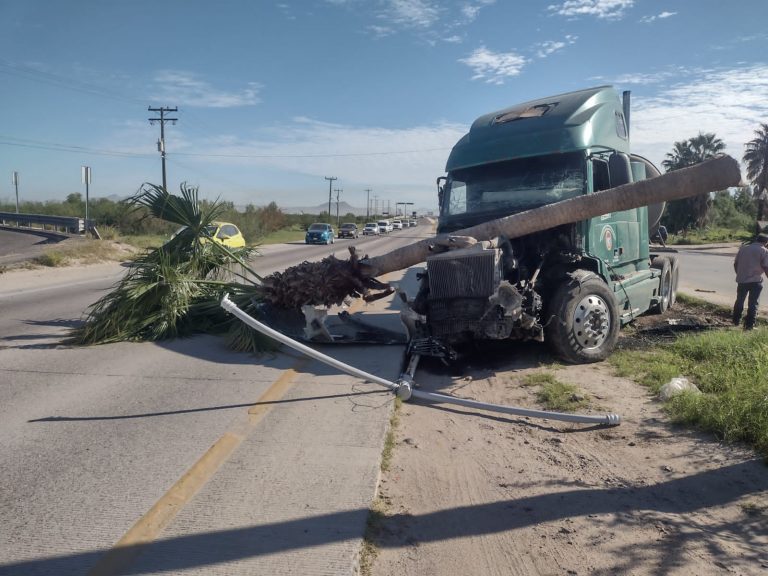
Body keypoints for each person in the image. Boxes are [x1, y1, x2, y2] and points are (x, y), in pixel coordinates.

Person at [732, 233, 768, 330]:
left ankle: (735, 321)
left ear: (756, 239)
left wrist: (739, 274)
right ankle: (749, 325)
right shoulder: (764, 251)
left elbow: (735, 264)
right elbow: (766, 266)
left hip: (742, 280)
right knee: (753, 303)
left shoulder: (743, 249)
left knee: (739, 300)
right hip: (755, 281)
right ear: (765, 242)